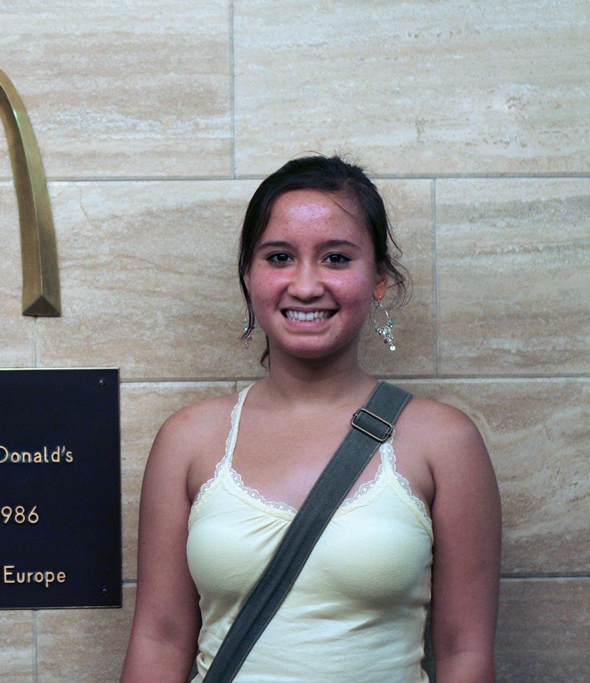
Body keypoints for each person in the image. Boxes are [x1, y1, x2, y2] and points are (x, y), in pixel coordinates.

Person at [120, 155, 501, 683]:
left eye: (336, 259)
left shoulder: (444, 442)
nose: (305, 285)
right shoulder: (190, 440)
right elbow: (159, 639)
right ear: (248, 276)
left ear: (379, 279)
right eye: (279, 257)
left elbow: (465, 653)